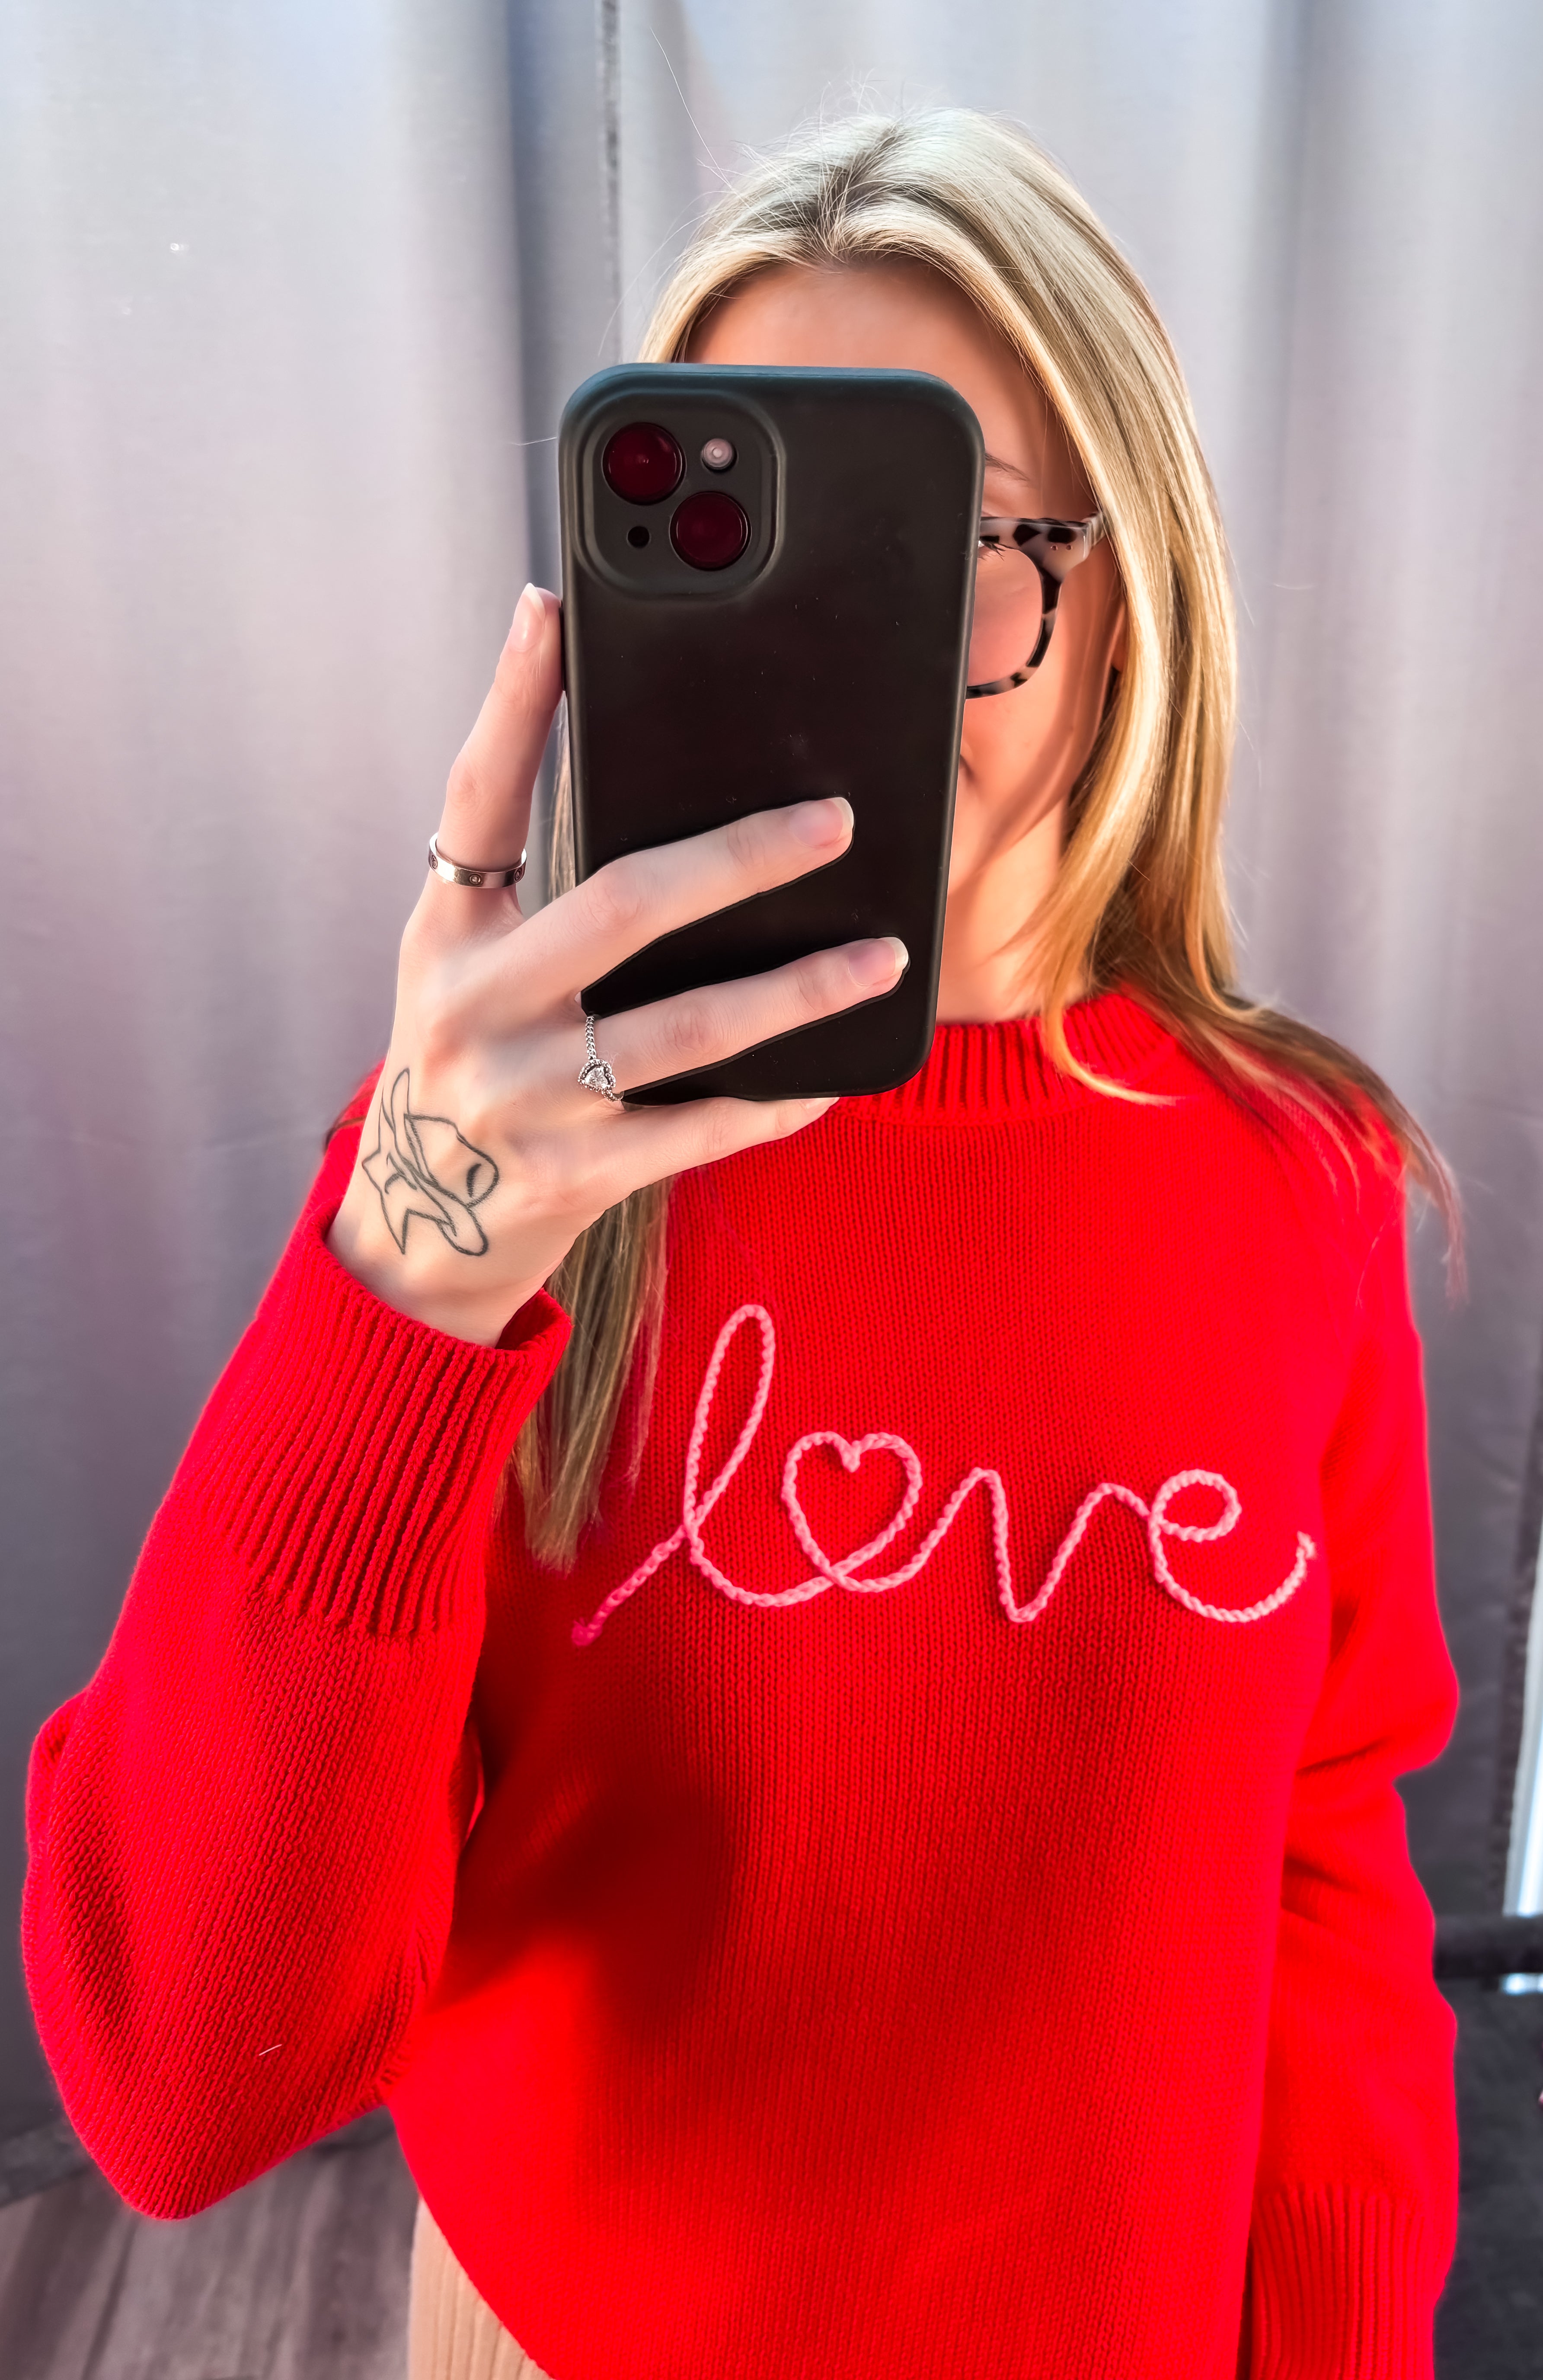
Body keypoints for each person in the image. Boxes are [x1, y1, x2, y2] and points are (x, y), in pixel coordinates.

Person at [22, 109, 1460, 2380]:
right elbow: (184, 2086)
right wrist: (402, 1282)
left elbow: (1323, 1843)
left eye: (948, 546)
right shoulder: (491, 1189)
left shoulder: (1310, 1177)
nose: (856, 658)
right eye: (756, 563)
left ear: (1130, 591)